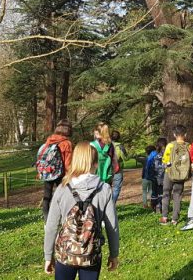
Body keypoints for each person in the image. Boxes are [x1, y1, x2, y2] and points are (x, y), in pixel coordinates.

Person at [43, 141, 119, 279]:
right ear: (96, 163)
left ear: (75, 161)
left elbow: (51, 226)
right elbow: (111, 226)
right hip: (91, 254)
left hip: (66, 253)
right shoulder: (104, 189)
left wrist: (48, 256)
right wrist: (114, 254)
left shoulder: (62, 188)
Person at [40, 119, 73, 223]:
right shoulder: (67, 143)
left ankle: (47, 220)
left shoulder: (50, 139)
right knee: (62, 196)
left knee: (47, 196)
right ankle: (63, 218)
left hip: (48, 172)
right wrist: (69, 175)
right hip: (61, 174)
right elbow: (68, 162)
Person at [160, 125, 191, 225]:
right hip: (181, 174)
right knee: (177, 195)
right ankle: (175, 219)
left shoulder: (170, 145)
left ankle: (164, 217)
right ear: (185, 134)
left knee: (166, 194)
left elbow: (165, 159)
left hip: (169, 173)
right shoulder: (188, 146)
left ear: (174, 134)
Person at [146, 138, 167, 212]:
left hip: (154, 176)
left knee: (154, 192)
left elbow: (148, 164)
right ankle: (161, 206)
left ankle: (154, 206)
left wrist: (148, 175)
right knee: (162, 192)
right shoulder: (167, 153)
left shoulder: (153, 154)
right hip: (164, 176)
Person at [111, 130, 128, 204]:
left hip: (106, 169)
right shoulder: (120, 146)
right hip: (117, 169)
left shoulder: (105, 145)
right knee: (116, 188)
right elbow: (125, 158)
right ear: (119, 137)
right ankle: (112, 204)